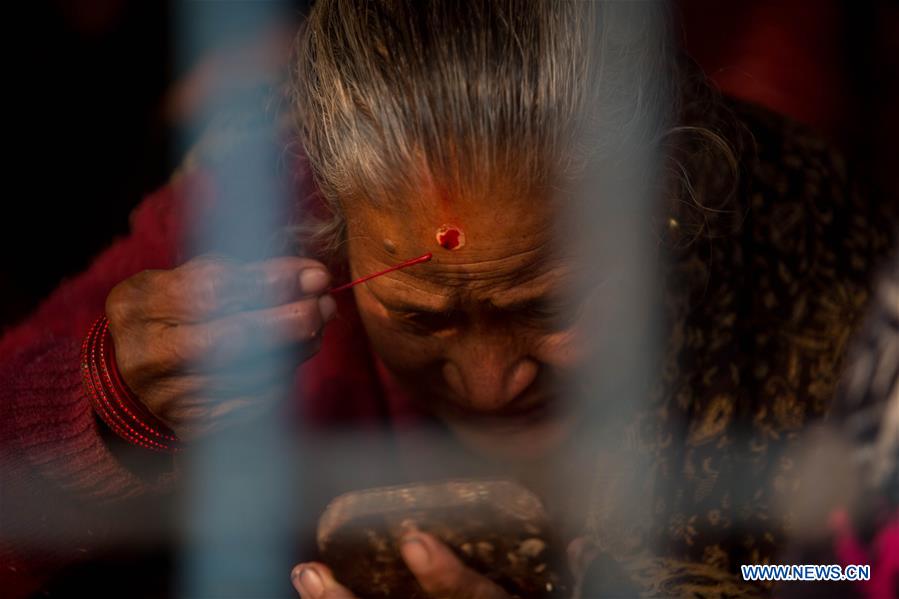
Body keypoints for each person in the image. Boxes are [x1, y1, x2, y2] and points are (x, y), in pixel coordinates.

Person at [1, 2, 895, 598]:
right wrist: (107, 409)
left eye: (549, 305)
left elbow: (848, 571)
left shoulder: (816, 260)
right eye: (422, 316)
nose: (488, 381)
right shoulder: (266, 209)